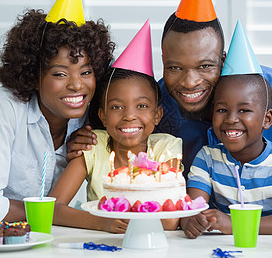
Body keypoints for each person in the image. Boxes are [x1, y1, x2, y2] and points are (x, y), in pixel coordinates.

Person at [66, 0, 272, 194]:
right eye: (174, 68)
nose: (189, 82)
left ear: (224, 60)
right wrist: (90, 143)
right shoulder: (154, 108)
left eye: (205, 66)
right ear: (162, 62)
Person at [0, 0, 115, 223]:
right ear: (33, 74)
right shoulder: (5, 108)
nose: (76, 85)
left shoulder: (91, 119)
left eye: (86, 71)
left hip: (41, 240)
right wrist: (59, 214)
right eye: (60, 73)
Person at [181, 22, 272, 238]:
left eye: (244, 110)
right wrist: (191, 221)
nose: (231, 119)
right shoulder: (207, 159)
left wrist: (236, 225)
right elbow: (192, 210)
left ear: (267, 119)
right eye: (222, 109)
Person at [49, 20, 182, 233]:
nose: (129, 116)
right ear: (102, 115)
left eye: (141, 106)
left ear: (157, 114)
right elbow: (52, 208)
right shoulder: (93, 147)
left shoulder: (165, 149)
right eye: (117, 106)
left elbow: (171, 220)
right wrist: (102, 222)